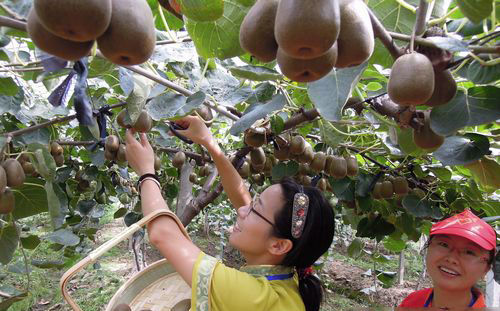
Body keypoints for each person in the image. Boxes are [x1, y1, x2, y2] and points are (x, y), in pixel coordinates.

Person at [125, 115, 335, 311]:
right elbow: (241, 195)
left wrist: (146, 172)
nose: (242, 209)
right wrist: (208, 141)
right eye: (255, 202)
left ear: (279, 245)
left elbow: (162, 234)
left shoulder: (251, 299)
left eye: (255, 209)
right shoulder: (289, 277)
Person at [398, 210, 497, 309]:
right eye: (444, 244)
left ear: (486, 268)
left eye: (469, 252)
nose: (451, 259)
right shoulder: (411, 302)